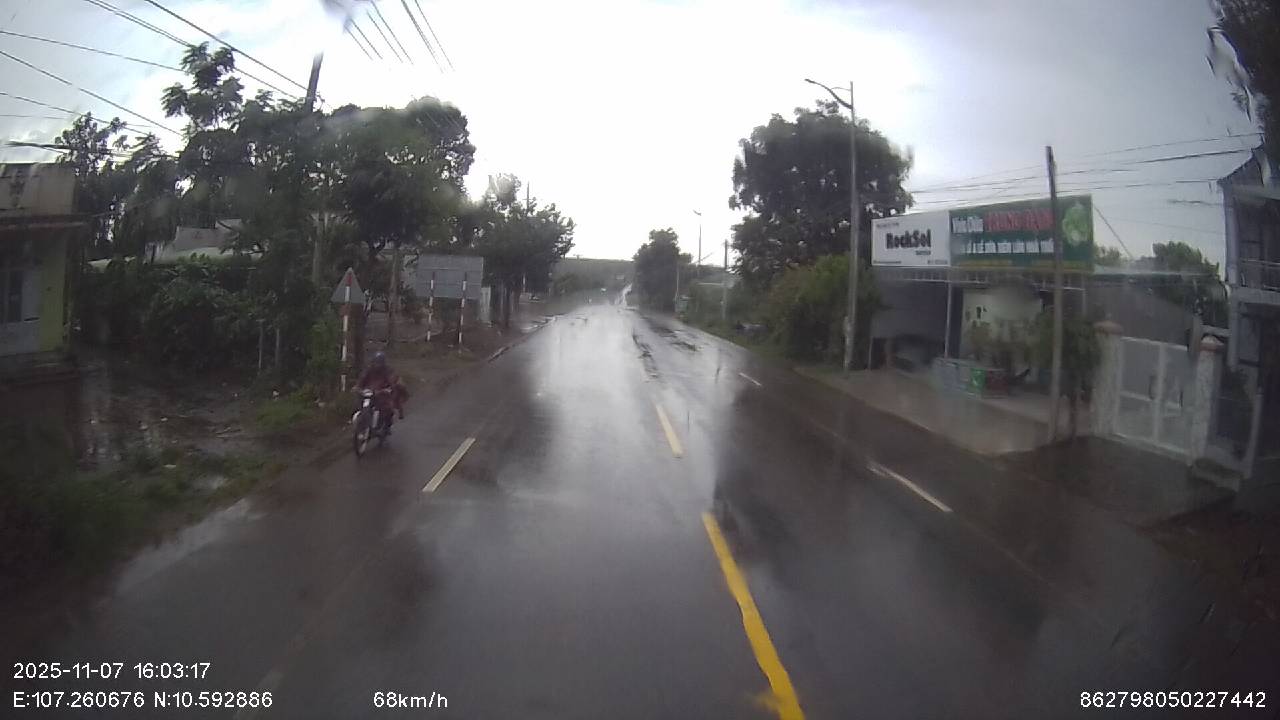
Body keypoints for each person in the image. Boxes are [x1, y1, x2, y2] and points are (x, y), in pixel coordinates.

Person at [357, 352, 408, 429]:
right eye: (376, 362)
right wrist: (358, 387)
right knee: (360, 404)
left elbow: (392, 382)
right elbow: (362, 379)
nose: (377, 365)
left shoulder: (388, 371)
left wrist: (388, 389)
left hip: (382, 394)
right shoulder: (369, 370)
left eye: (379, 362)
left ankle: (387, 426)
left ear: (383, 363)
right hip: (369, 393)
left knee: (387, 408)